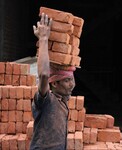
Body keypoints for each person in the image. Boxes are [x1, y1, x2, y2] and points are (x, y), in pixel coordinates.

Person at [30, 13, 76, 150]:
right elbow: (44, 75)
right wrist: (44, 39)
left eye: (72, 79)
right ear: (54, 83)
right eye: (67, 81)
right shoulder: (45, 100)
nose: (72, 84)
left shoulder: (63, 100)